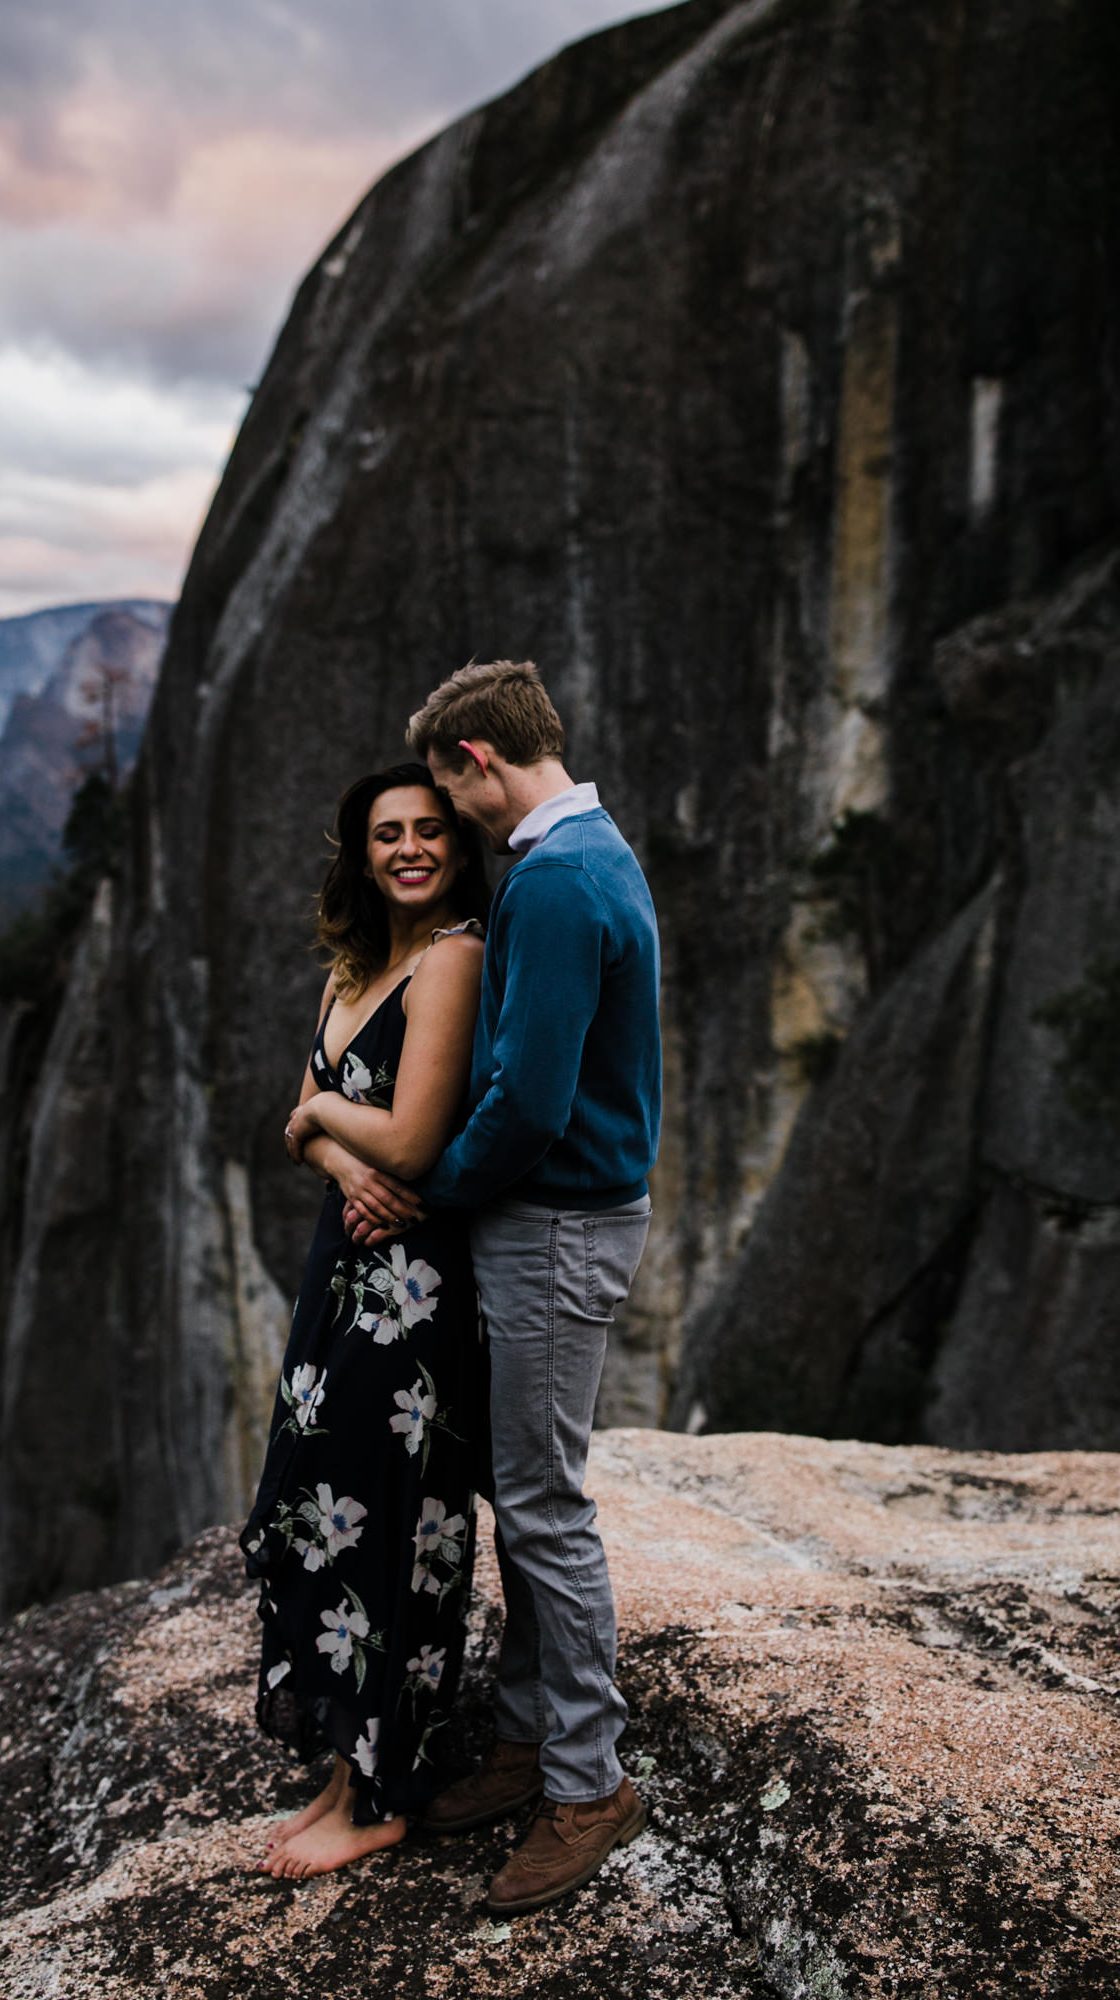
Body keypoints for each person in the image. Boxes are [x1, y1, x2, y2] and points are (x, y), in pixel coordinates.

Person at [347, 662, 662, 1915]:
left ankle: (589, 1783)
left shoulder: (556, 877)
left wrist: (429, 1188)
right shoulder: (587, 852)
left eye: (443, 788)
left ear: (475, 756)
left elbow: (529, 1098)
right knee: (527, 1487)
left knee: (542, 1506)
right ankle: (533, 1735)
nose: (444, 816)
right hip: (561, 1221)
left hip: (552, 1225)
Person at [240, 761, 489, 1882]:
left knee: (389, 1516)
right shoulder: (354, 965)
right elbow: (305, 1123)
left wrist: (328, 1121)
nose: (408, 848)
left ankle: (384, 1791)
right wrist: (337, 1137)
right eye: (387, 832)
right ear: (362, 849)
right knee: (317, 1502)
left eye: (429, 829)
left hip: (413, 1288)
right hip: (340, 1271)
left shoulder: (454, 957)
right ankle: (344, 1769)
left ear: (455, 842)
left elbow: (417, 1139)